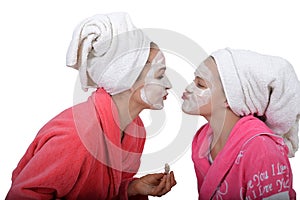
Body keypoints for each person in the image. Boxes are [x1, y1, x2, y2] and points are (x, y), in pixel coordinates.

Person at [6, 12, 176, 199]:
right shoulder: (75, 137)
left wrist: (132, 188)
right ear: (128, 78)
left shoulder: (136, 131)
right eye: (160, 75)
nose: (168, 84)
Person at [182, 48, 300, 199]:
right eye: (194, 81)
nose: (188, 88)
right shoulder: (202, 140)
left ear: (231, 97)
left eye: (200, 84)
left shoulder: (261, 149)